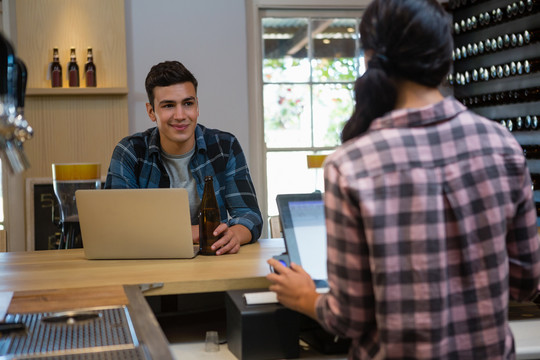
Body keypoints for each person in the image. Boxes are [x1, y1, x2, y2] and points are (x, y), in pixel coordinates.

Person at [267, 0, 540, 358]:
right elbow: (525, 283)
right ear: (445, 56)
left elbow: (349, 317)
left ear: (368, 57)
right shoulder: (501, 144)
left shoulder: (350, 165)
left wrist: (306, 297)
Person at [105, 60, 262, 255]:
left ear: (197, 107)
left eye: (188, 103)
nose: (180, 115)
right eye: (168, 105)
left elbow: (250, 215)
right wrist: (196, 233)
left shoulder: (225, 146)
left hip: (212, 260)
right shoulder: (129, 151)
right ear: (151, 112)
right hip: (149, 263)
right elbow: (118, 225)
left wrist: (236, 234)